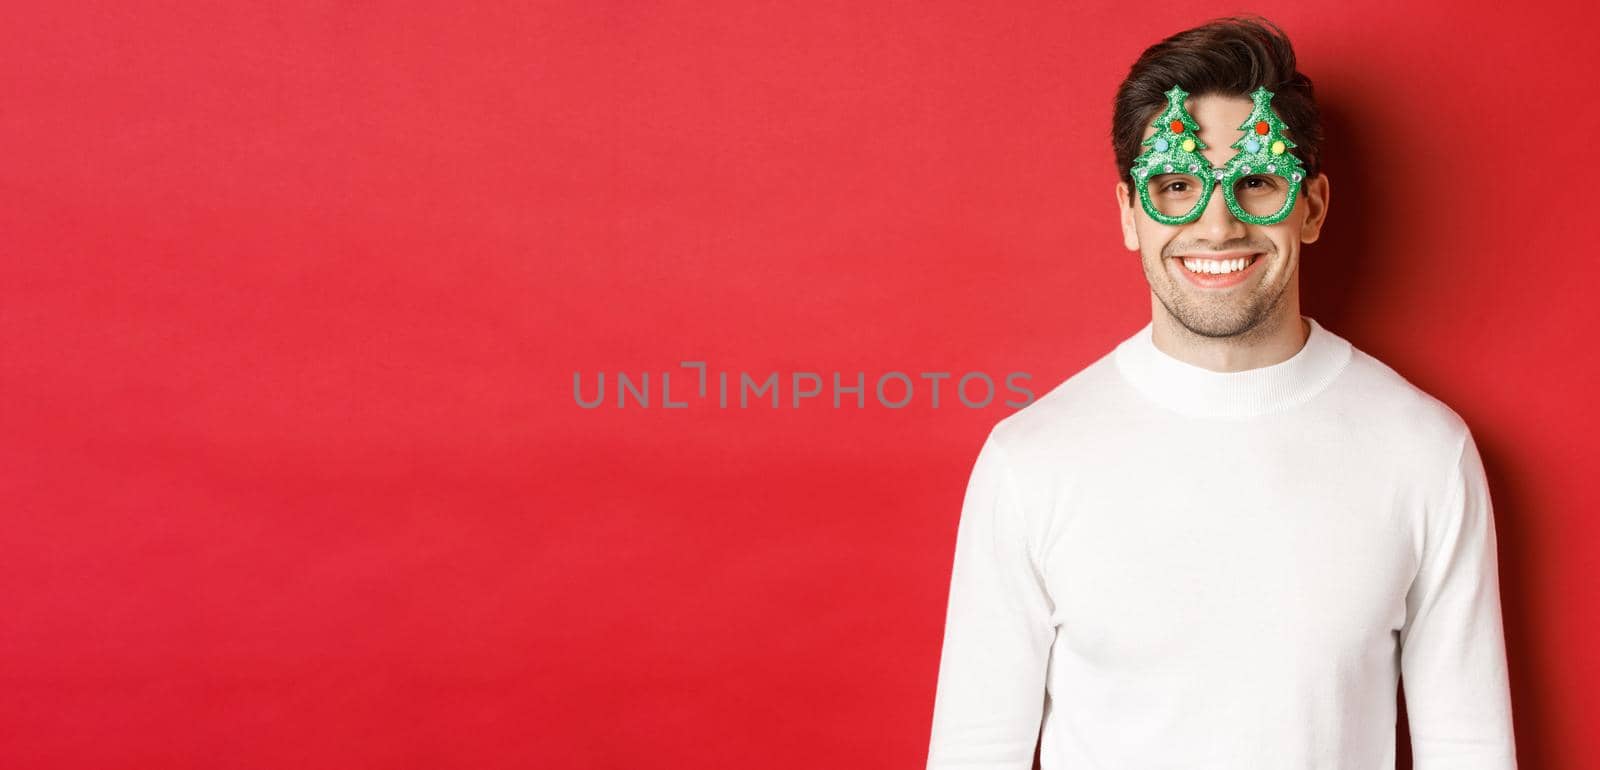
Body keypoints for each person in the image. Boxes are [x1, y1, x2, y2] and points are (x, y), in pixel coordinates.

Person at [924, 15, 1518, 770]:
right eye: (1175, 187)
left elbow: (1470, 749)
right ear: (1129, 216)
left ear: (1311, 207)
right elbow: (974, 751)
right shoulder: (1030, 461)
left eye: (1257, 182)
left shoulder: (1425, 450)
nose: (1217, 224)